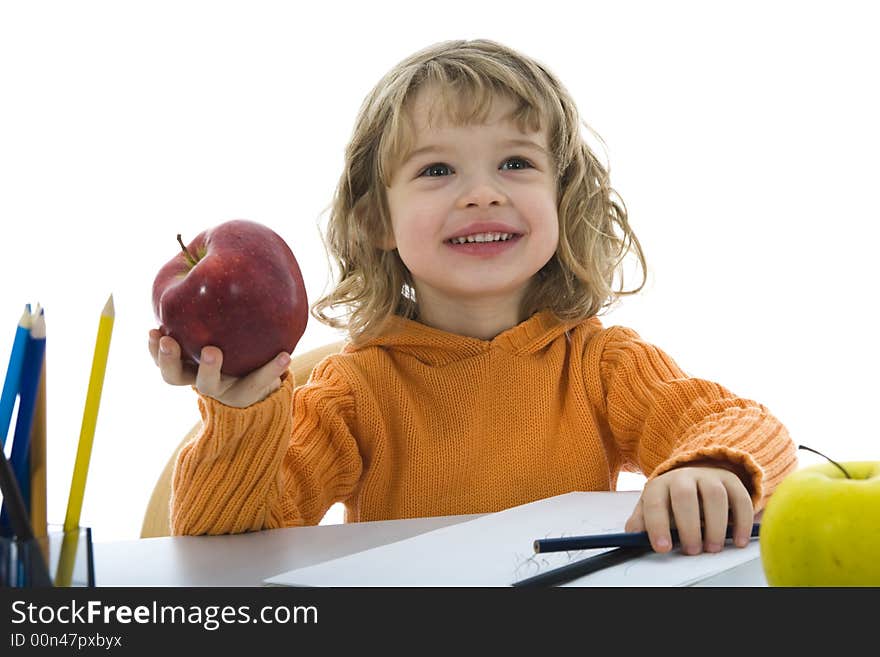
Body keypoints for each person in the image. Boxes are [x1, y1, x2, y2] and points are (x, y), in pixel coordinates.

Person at [148, 39, 797, 556]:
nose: (483, 192)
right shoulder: (355, 391)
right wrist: (242, 412)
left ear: (562, 202)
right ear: (377, 219)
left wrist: (710, 468)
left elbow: (747, 426)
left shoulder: (602, 364)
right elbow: (223, 547)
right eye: (437, 170)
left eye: (515, 163)